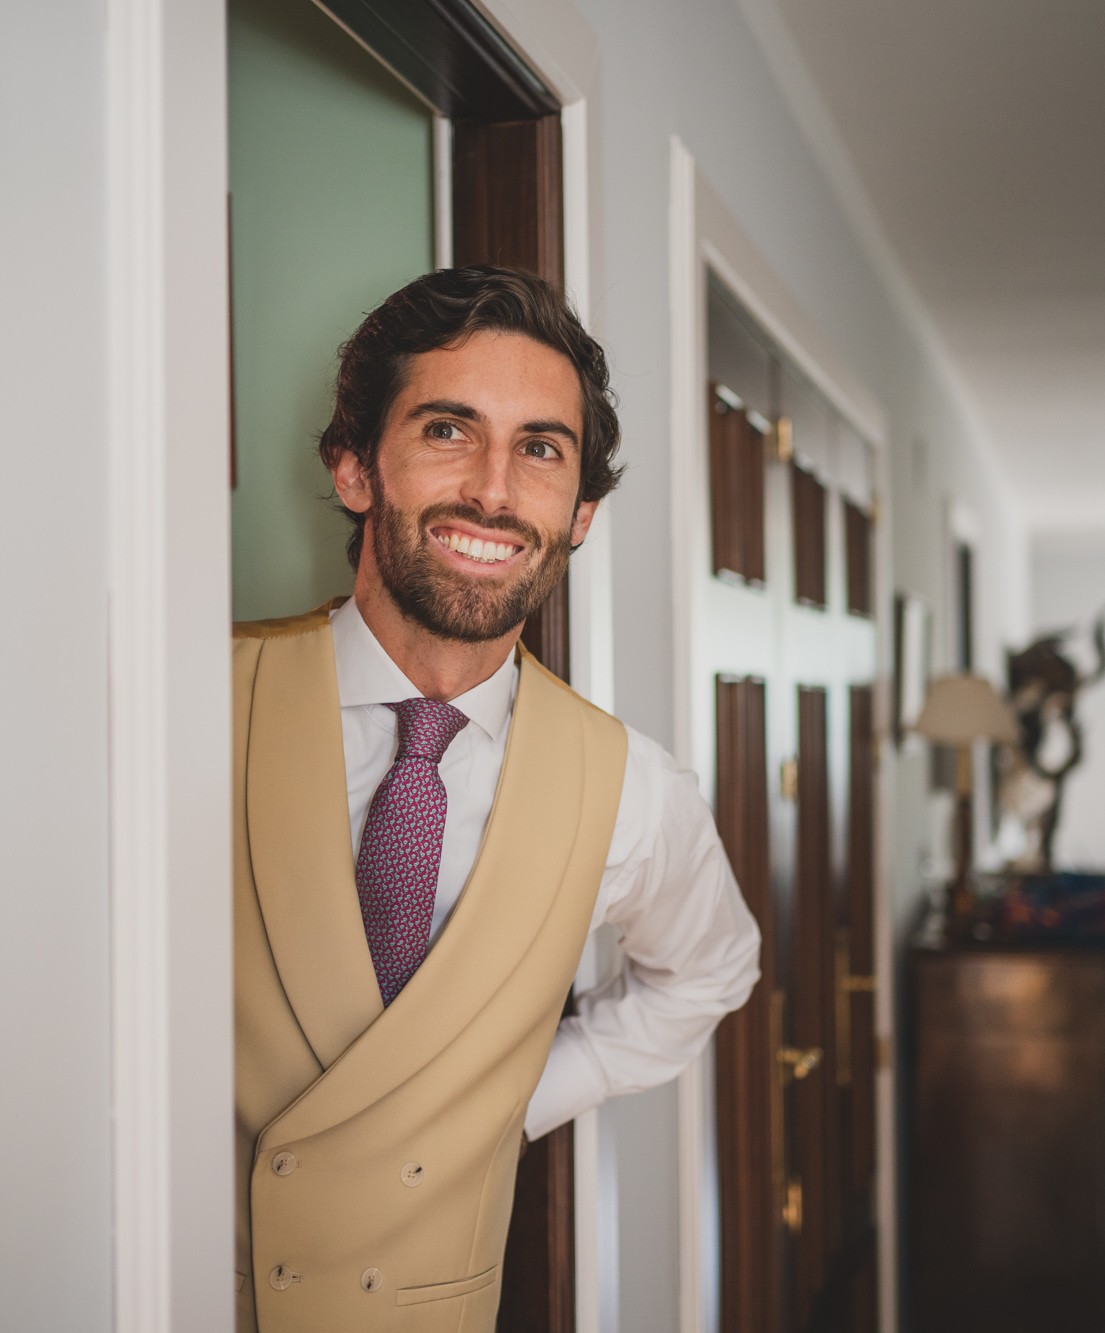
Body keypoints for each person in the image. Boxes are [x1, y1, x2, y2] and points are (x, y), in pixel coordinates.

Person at [232, 265, 760, 1330]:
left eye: (539, 449)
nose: (492, 489)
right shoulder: (188, 704)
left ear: (579, 516)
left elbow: (709, 973)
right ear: (353, 469)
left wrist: (512, 1094)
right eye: (446, 429)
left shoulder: (631, 791)